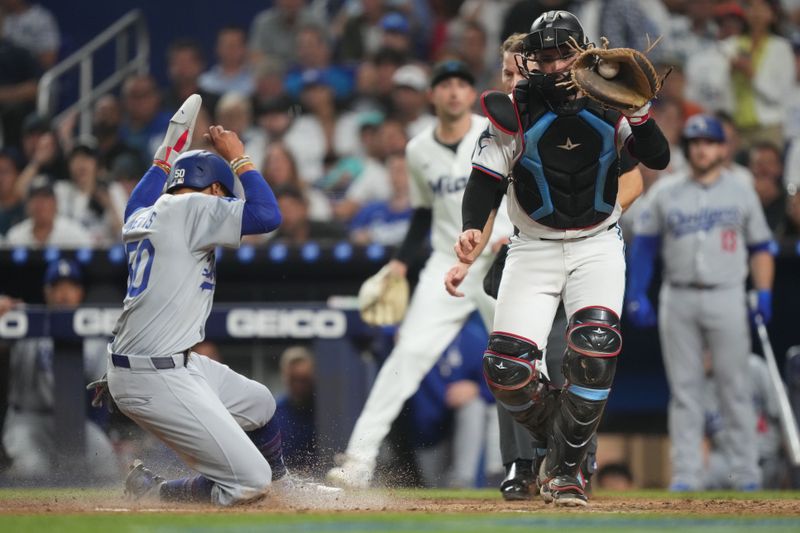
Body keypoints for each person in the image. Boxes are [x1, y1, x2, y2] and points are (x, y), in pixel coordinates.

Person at [447, 11, 669, 507]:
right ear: (530, 61)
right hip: (533, 246)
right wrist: (469, 228)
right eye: (544, 57)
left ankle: (567, 471)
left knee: (593, 347)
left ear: (583, 52)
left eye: (562, 54)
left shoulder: (612, 104)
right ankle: (562, 442)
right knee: (505, 368)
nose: (553, 66)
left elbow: (656, 159)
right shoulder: (511, 112)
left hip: (596, 243)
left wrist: (641, 114)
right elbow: (483, 181)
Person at [104, 94, 336, 505]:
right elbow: (268, 216)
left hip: (169, 363)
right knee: (249, 482)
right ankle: (155, 493)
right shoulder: (194, 207)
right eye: (223, 194)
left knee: (261, 403)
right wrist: (239, 158)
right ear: (213, 188)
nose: (226, 203)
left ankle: (282, 490)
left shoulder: (143, 214)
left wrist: (163, 157)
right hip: (154, 375)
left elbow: (136, 201)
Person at [325, 60, 512, 489]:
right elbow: (422, 215)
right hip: (448, 265)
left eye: (462, 84)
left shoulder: (496, 130)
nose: (453, 92)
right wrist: (400, 263)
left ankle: (550, 463)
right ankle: (358, 460)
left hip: (502, 257)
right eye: (444, 84)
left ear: (471, 93)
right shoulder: (417, 150)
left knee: (525, 359)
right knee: (405, 356)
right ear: (432, 95)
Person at [626, 114, 775, 491]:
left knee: (735, 386)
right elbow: (644, 246)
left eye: (709, 142)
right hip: (679, 294)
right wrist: (637, 292)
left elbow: (761, 247)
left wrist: (765, 290)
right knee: (685, 389)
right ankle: (687, 474)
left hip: (727, 292)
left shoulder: (741, 190)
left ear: (723, 148)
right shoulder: (667, 191)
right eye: (695, 143)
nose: (701, 148)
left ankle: (746, 472)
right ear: (688, 148)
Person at [2, 259, 116, 482]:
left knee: (106, 461)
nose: (64, 294)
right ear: (47, 291)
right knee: (32, 470)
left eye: (70, 287)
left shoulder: (93, 334)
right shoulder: (24, 316)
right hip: (27, 419)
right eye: (57, 287)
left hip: (73, 420)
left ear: (80, 292)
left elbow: (103, 389)